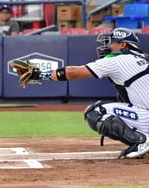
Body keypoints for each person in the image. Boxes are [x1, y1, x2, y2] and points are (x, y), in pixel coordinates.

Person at [20, 27, 149, 159]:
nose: (108, 46)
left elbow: (72, 73)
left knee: (95, 112)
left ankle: (141, 141)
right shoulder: (144, 57)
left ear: (122, 44)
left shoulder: (117, 60)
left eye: (112, 43)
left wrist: (38, 74)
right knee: (122, 100)